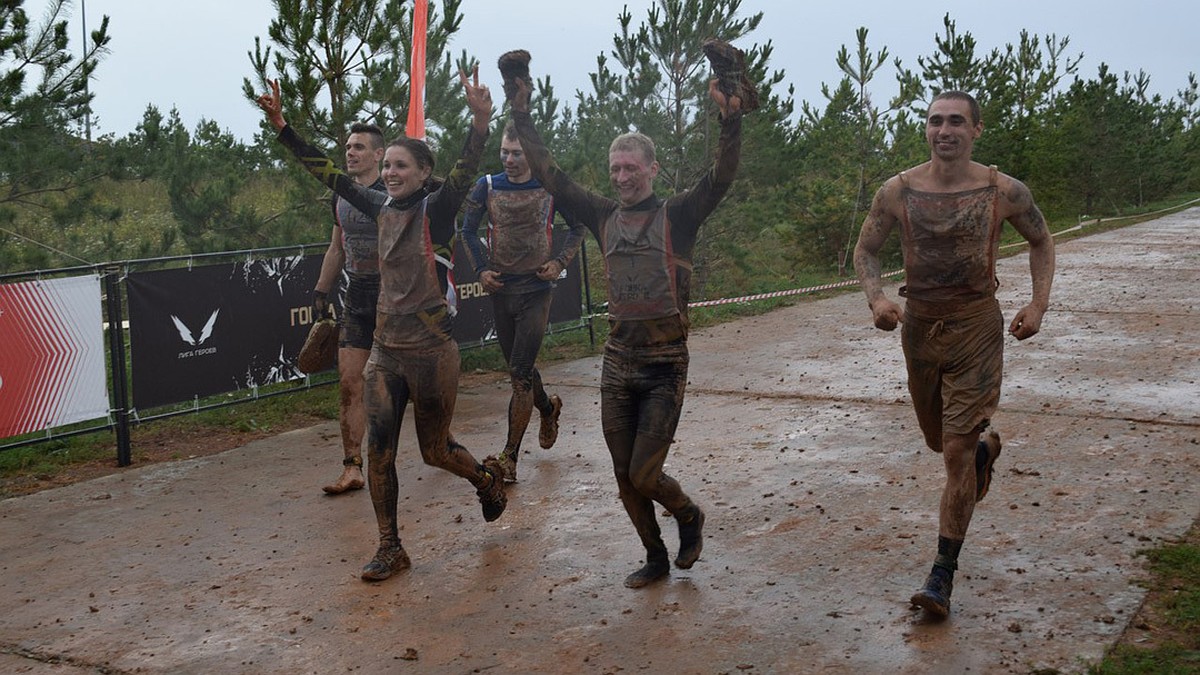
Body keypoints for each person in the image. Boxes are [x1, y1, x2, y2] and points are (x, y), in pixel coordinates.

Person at [499, 43, 751, 588]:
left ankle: (688, 514)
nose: (620, 176)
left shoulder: (679, 214)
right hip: (618, 362)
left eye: (630, 167)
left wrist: (729, 121)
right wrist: (520, 106)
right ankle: (656, 556)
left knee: (645, 471)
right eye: (615, 168)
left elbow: (722, 175)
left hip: (664, 363)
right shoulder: (601, 213)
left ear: (652, 168)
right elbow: (549, 172)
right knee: (622, 476)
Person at [256, 68, 509, 582]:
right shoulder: (376, 203)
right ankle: (391, 546)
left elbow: (464, 168)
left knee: (436, 450)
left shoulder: (437, 208)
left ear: (421, 173)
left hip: (433, 348)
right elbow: (328, 174)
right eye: (387, 165)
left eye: (400, 166)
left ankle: (485, 479)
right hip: (386, 350)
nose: (390, 173)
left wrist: (480, 122)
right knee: (380, 448)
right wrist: (282, 126)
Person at [852, 90, 1055, 618]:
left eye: (957, 122)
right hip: (919, 328)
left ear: (976, 130)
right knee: (940, 442)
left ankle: (941, 577)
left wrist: (1038, 304)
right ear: (926, 128)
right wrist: (877, 297)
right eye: (936, 121)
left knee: (954, 455)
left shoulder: (1002, 190)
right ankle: (983, 454)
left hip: (976, 327)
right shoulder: (898, 191)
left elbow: (1041, 240)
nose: (945, 130)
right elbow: (866, 248)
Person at [460, 121, 586, 482]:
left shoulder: (550, 186)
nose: (510, 159)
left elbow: (578, 228)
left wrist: (559, 263)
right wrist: (481, 269)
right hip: (501, 289)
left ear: (531, 154)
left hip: (536, 289)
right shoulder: (486, 186)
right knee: (523, 370)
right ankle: (547, 408)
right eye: (504, 152)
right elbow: (466, 230)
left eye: (517, 153)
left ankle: (509, 457)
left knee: (518, 375)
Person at [312, 121, 386, 495]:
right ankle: (352, 467)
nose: (350, 153)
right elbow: (337, 247)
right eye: (347, 147)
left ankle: (439, 442)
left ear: (378, 155)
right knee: (349, 383)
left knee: (404, 388)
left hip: (395, 297)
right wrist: (321, 291)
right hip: (357, 295)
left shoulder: (393, 193)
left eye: (358, 147)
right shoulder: (340, 196)